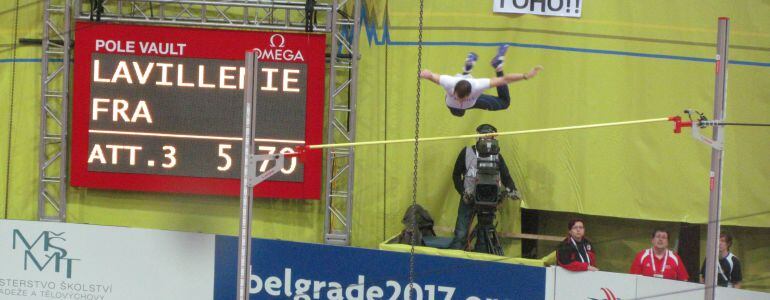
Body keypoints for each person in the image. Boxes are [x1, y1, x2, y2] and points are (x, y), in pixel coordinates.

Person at [419, 45, 543, 117]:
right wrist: (425, 74)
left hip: (472, 101)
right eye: (458, 96)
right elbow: (431, 76)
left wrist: (526, 76)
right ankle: (466, 72)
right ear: (454, 90)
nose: (460, 99)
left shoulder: (477, 86)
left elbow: (504, 79)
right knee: (459, 113)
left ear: (469, 93)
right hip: (456, 104)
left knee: (505, 103)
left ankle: (496, 66)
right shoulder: (449, 82)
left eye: (462, 98)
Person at [449, 123, 519, 251]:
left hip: (488, 200)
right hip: (468, 199)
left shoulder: (497, 156)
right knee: (461, 233)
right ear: (478, 137)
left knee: (483, 236)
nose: (488, 140)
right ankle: (455, 257)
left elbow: (506, 176)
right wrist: (463, 193)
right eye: (486, 136)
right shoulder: (467, 153)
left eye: (491, 137)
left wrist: (512, 189)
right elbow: (455, 175)